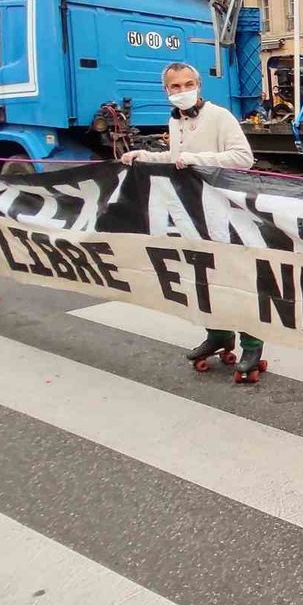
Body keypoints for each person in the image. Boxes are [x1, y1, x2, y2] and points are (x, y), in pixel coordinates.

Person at [122, 62, 266, 383]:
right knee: (203, 277)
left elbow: (243, 158)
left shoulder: (219, 117)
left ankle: (252, 345)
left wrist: (196, 159)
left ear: (199, 85)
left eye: (188, 84)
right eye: (175, 86)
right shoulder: (176, 122)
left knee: (236, 277)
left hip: (225, 213)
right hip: (192, 214)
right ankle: (218, 334)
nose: (183, 91)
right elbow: (177, 159)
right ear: (166, 90)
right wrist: (144, 157)